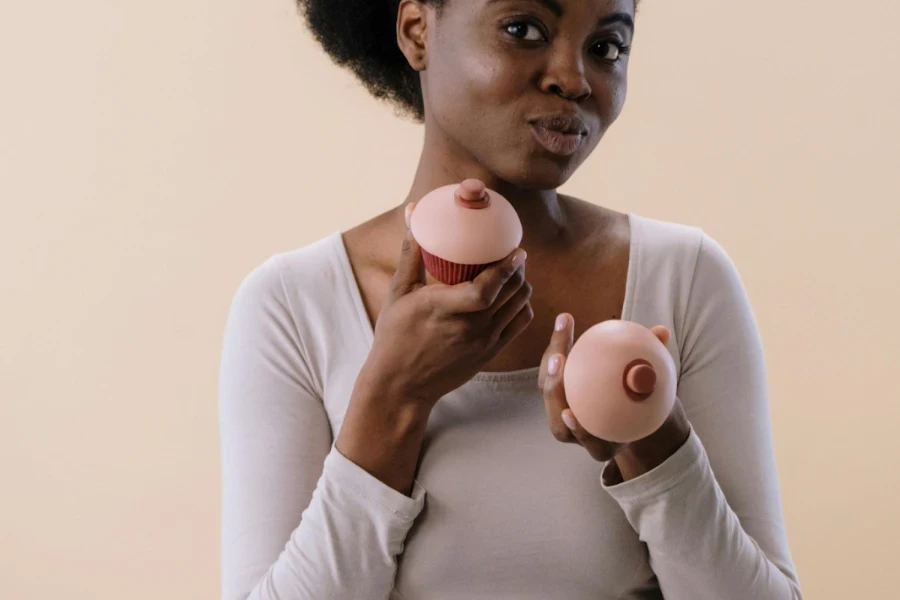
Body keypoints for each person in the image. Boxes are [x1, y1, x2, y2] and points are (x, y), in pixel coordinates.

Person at [218, 0, 803, 598]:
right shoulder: (292, 306)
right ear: (417, 30)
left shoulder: (683, 278)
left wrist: (653, 444)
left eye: (605, 48)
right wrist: (391, 396)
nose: (573, 78)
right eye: (523, 30)